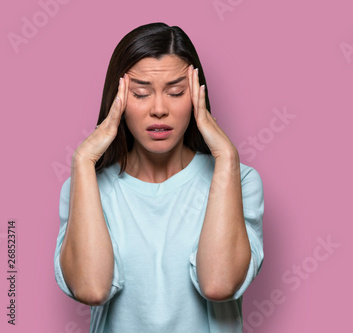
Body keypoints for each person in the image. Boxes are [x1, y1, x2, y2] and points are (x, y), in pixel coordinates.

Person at [53, 22, 264, 332]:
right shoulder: (84, 186)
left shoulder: (240, 180)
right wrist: (83, 161)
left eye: (176, 92)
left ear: (196, 97)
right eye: (140, 94)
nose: (159, 109)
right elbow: (92, 289)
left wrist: (227, 157)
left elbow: (219, 284)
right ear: (118, 100)